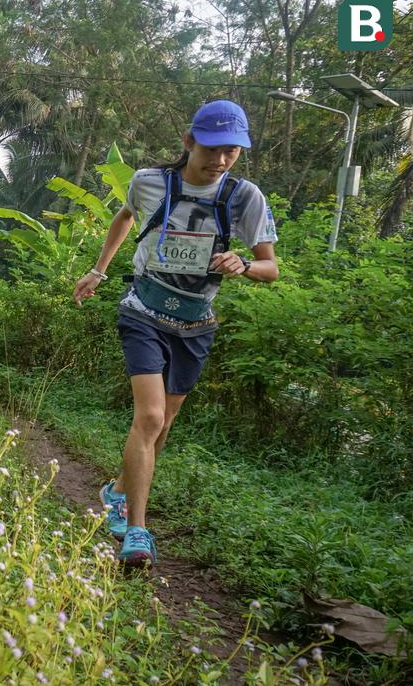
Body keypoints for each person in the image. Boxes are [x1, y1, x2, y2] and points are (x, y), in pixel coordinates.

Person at [72, 100, 279, 568]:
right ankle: (137, 531)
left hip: (196, 323)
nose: (221, 160)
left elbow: (271, 268)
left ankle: (118, 490)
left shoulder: (245, 198)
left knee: (163, 424)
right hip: (143, 309)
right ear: (189, 141)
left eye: (232, 151)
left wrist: (244, 265)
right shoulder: (150, 182)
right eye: (212, 148)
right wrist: (99, 271)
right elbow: (124, 216)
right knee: (148, 417)